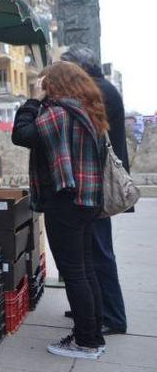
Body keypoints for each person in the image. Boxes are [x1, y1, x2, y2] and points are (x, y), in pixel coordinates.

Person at [12, 61, 108, 359]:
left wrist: (33, 99)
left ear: (55, 83)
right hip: (87, 199)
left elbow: (21, 134)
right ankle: (92, 334)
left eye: (45, 82)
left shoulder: (58, 113)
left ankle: (86, 342)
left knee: (74, 272)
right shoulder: (86, 111)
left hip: (66, 200)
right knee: (85, 269)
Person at [60, 47, 128, 335]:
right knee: (92, 250)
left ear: (79, 68)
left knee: (99, 252)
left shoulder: (97, 91)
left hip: (97, 185)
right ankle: (92, 308)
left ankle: (112, 317)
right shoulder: (100, 87)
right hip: (96, 183)